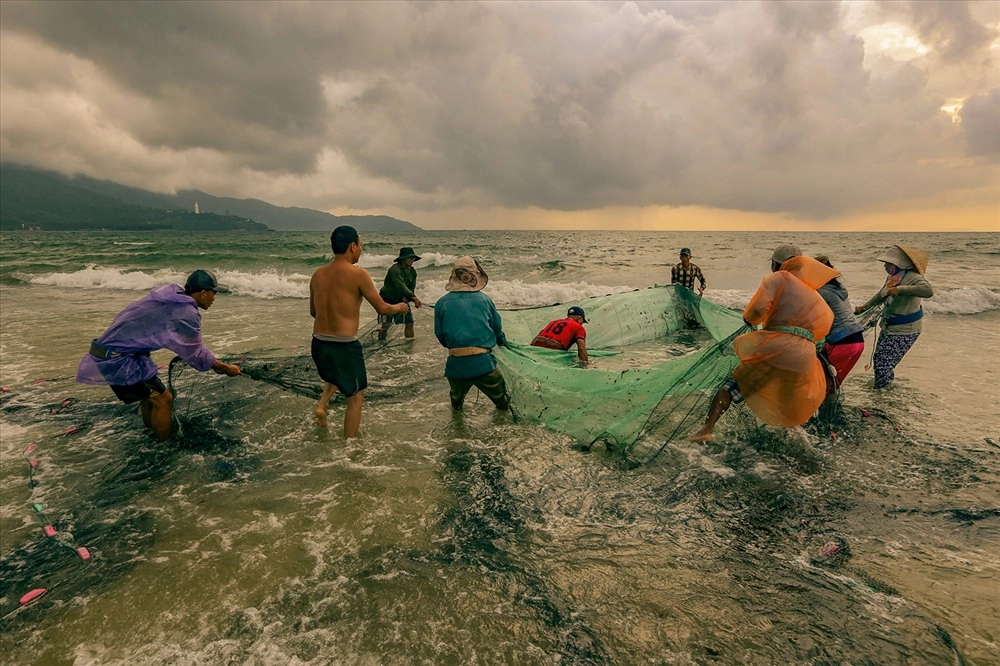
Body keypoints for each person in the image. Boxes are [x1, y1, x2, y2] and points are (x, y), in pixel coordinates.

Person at [689, 245, 838, 442]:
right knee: (788, 396)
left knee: (732, 385)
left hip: (777, 348)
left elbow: (757, 311)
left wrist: (750, 320)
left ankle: (706, 430)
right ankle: (795, 439)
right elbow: (825, 323)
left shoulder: (779, 278)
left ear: (777, 264)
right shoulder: (813, 292)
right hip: (805, 355)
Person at [75, 269, 243, 441]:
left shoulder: (171, 298)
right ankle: (165, 445)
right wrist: (225, 367)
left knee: (149, 396)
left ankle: (152, 433)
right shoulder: (186, 313)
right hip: (117, 360)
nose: (214, 299)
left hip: (109, 353)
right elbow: (195, 353)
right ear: (202, 293)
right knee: (163, 399)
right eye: (213, 293)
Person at [310, 225, 409, 436]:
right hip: (344, 345)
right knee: (356, 397)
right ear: (352, 246)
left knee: (336, 375)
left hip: (318, 344)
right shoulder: (359, 274)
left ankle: (322, 407)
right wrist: (399, 307)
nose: (361, 250)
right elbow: (382, 308)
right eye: (361, 245)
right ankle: (349, 449)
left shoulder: (317, 274)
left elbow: (313, 312)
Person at [434, 256, 510, 411]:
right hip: (483, 365)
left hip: (455, 365)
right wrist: (502, 340)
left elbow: (440, 335)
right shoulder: (485, 300)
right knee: (502, 402)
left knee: (456, 405)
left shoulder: (442, 303)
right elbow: (496, 328)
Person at [855, 244, 933, 390]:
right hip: (889, 327)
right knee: (880, 360)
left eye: (888, 263)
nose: (885, 266)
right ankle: (885, 389)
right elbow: (881, 294)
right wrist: (865, 306)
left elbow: (928, 291)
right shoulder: (892, 277)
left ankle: (882, 394)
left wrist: (899, 289)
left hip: (905, 329)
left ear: (899, 264)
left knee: (884, 364)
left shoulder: (913, 277)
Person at [814, 255, 865, 394]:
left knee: (823, 383)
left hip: (842, 343)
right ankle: (829, 411)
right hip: (858, 342)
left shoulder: (821, 292)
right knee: (833, 384)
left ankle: (820, 414)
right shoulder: (837, 288)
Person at [377, 247, 423, 340]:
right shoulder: (394, 270)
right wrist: (414, 298)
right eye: (410, 258)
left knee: (409, 323)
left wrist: (409, 298)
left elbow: (411, 288)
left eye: (413, 258)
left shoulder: (412, 272)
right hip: (387, 300)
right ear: (403, 259)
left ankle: (409, 347)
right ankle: (380, 344)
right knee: (386, 325)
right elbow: (400, 285)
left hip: (401, 300)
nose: (412, 260)